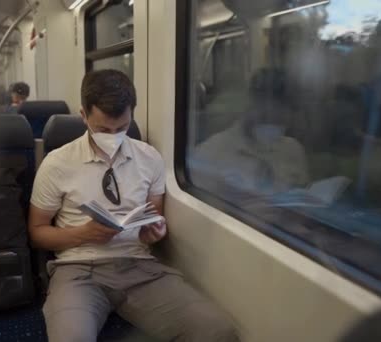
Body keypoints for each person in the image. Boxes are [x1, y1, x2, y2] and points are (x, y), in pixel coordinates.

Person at [29, 69, 239, 342]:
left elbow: (152, 219)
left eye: (122, 128)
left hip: (139, 268)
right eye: (104, 129)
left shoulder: (149, 158)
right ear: (83, 116)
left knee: (216, 331)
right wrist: (84, 233)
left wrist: (155, 232)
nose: (113, 136)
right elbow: (37, 233)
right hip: (79, 270)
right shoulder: (57, 164)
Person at [189, 68, 309, 200]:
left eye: (280, 122)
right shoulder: (209, 154)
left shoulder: (293, 151)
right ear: (251, 104)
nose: (272, 126)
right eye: (266, 118)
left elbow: (303, 199)